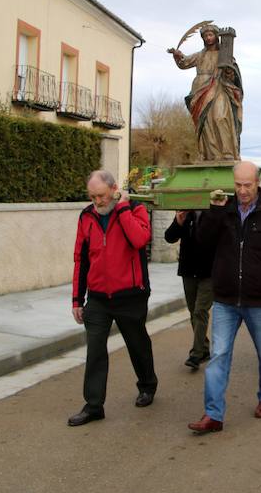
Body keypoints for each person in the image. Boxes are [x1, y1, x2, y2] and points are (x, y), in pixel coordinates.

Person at [187, 161, 261, 434]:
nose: (243, 190)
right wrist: (214, 212)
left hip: (260, 301)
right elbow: (202, 243)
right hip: (225, 300)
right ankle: (213, 415)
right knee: (219, 356)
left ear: (258, 182)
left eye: (247, 185)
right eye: (238, 185)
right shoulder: (223, 211)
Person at [68, 170, 157, 427]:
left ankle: (148, 385)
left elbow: (140, 239)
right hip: (97, 298)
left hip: (130, 295)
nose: (98, 202)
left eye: (103, 196)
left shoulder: (135, 209)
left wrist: (123, 208)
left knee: (137, 343)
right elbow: (80, 259)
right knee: (95, 350)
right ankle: (94, 405)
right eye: (93, 197)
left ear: (114, 190)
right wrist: (77, 299)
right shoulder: (86, 216)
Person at [168, 24, 243, 161]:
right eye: (205, 36)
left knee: (221, 117)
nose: (208, 38)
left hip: (218, 86)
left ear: (216, 36)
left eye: (211, 35)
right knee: (205, 123)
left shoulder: (224, 54)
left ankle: (228, 152)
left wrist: (229, 72)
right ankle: (211, 154)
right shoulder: (200, 55)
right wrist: (177, 56)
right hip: (199, 90)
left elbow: (233, 73)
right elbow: (184, 63)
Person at [164, 209, 214, 370]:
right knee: (193, 311)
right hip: (188, 270)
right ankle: (204, 348)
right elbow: (169, 237)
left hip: (209, 273)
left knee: (200, 311)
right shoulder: (186, 212)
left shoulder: (216, 212)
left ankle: (196, 353)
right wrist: (178, 221)